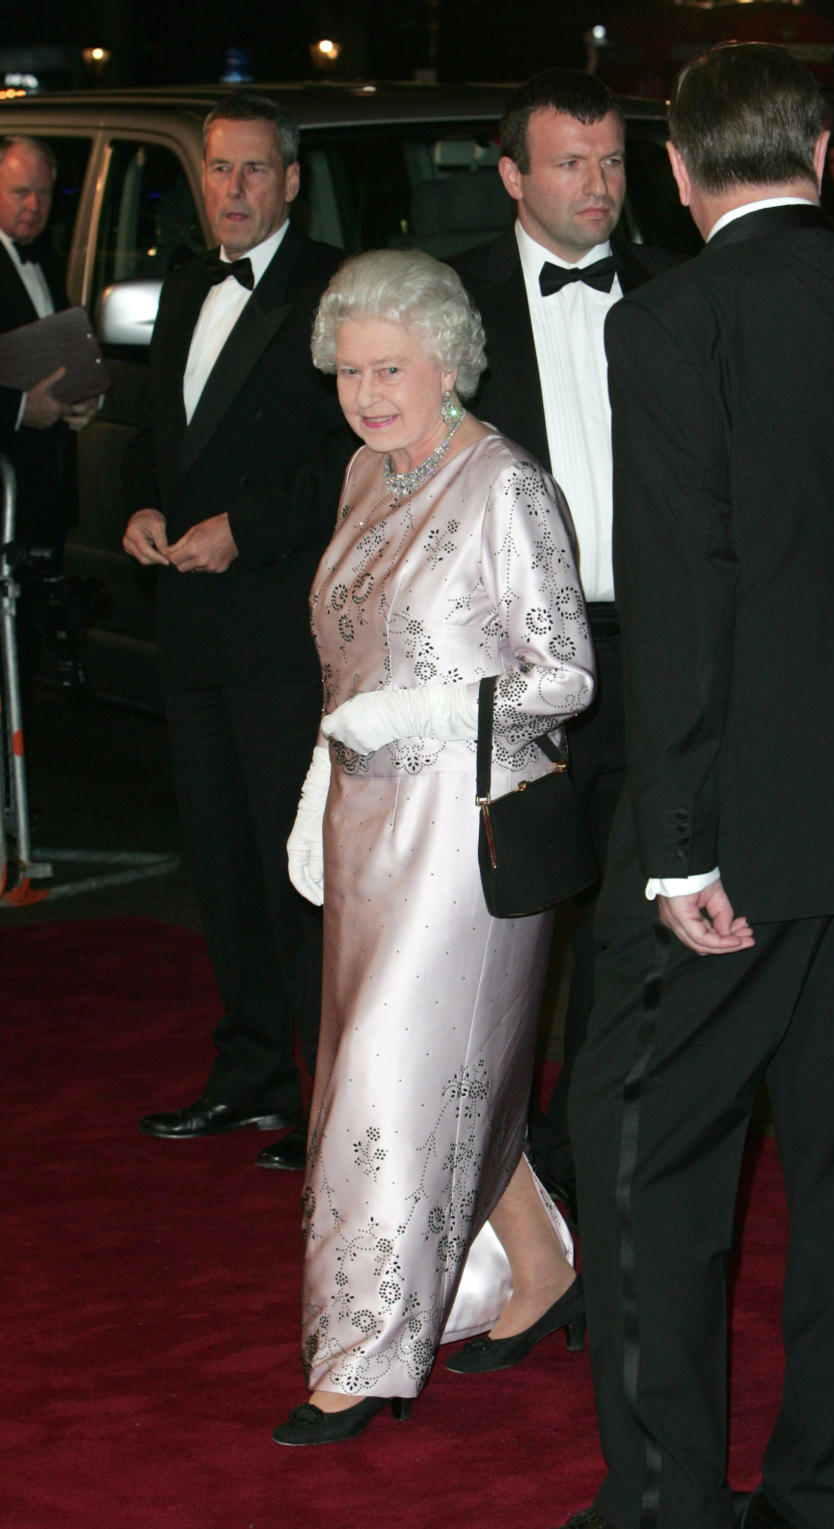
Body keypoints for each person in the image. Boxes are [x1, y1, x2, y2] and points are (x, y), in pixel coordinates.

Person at [563, 42, 834, 1529]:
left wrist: (672, 845)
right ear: (823, 153)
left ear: (677, 171)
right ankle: (829, 1493)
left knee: (646, 1151)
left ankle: (666, 1499)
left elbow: (686, 592)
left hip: (729, 840)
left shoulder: (676, 323)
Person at [272, 248, 595, 1446]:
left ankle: (359, 1354)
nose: (366, 392)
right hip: (365, 823)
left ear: (448, 360)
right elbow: (346, 654)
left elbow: (565, 674)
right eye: (349, 369)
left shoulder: (502, 482)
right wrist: (323, 779)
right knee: (431, 1070)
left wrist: (423, 714)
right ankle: (540, 1262)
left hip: (465, 827)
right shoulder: (367, 472)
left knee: (385, 1078)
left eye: (390, 366)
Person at [454, 68, 678, 1219]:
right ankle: (481, 1184)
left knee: (630, 936)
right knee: (503, 933)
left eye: (614, 161)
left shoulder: (681, 294)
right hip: (510, 667)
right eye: (569, 163)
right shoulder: (458, 307)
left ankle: (581, 1160)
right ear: (511, 176)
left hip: (651, 657)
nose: (599, 186)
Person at [122, 93, 350, 1171]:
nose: (235, 190)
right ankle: (252, 1073)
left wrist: (245, 531)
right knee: (218, 863)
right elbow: (160, 431)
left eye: (256, 171)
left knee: (292, 871)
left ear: (291, 180)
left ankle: (328, 1096)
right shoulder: (181, 283)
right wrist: (141, 505)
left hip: (280, 626)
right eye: (220, 170)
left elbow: (354, 461)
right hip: (191, 627)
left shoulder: (330, 291)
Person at [0, 136, 99, 712]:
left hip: (42, 502)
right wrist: (18, 409)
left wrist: (82, 401)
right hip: (5, 499)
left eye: (42, 193)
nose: (33, 205)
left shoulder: (48, 257)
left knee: (26, 658)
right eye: (19, 191)